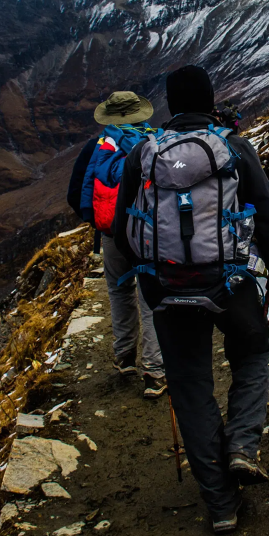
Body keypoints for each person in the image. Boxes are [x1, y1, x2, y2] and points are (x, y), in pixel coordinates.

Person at [112, 65, 269, 535]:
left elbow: (122, 227)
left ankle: (221, 506)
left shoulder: (144, 154)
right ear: (211, 100)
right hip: (229, 284)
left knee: (191, 388)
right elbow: (268, 219)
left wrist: (149, 279)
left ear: (170, 106)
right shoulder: (233, 148)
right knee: (252, 355)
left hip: (168, 290)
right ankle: (242, 448)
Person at [67, 91, 167, 398]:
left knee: (119, 290)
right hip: (149, 234)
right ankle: (155, 371)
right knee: (150, 296)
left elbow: (75, 193)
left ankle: (125, 358)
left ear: (109, 117)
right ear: (140, 114)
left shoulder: (97, 147)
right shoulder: (157, 142)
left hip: (112, 234)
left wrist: (99, 221)